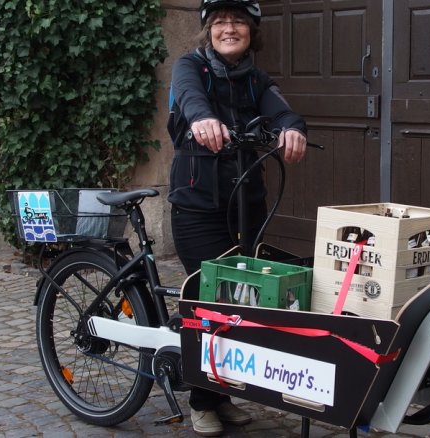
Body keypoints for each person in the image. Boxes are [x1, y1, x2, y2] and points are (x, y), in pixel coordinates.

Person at [165, 0, 308, 436]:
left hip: (248, 205)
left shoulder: (255, 79)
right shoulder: (190, 66)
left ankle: (220, 392)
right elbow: (189, 98)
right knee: (212, 297)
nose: (229, 29)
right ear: (208, 30)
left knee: (243, 300)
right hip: (198, 205)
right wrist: (203, 119)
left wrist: (292, 129)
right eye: (221, 22)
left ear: (251, 32)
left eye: (239, 22)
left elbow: (283, 110)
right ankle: (202, 400)